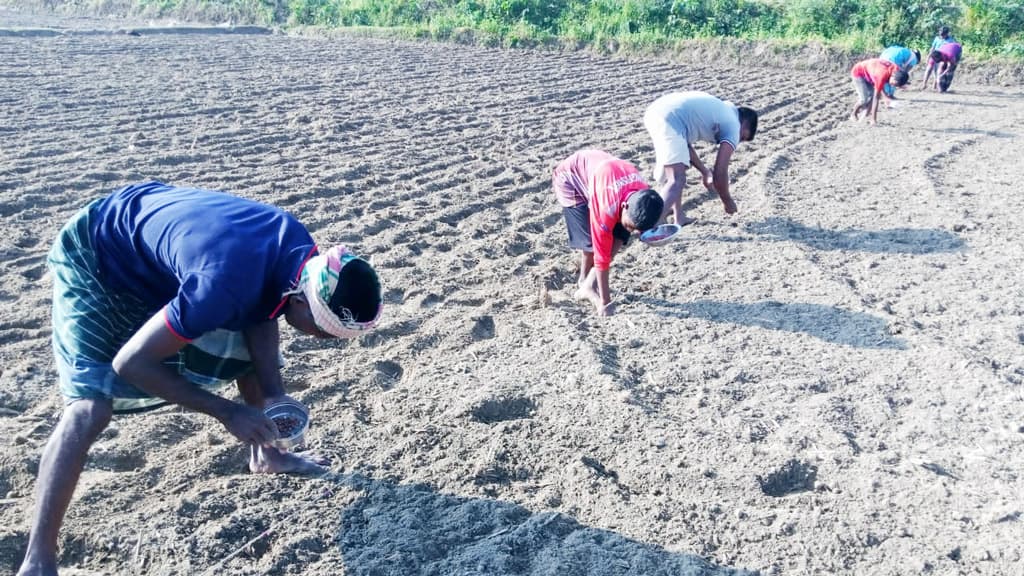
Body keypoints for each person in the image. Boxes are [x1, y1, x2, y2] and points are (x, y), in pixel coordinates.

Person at [17, 182, 383, 576]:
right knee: (91, 406)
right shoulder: (221, 286)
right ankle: (38, 560)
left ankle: (268, 455)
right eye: (325, 331)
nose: (325, 340)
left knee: (250, 347)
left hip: (162, 259)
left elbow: (262, 312)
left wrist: (274, 396)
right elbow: (131, 364)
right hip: (98, 252)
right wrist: (227, 412)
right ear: (301, 299)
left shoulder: (300, 255)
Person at [551, 150, 663, 316]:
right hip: (571, 179)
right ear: (625, 207)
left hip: (605, 174)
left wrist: (644, 232)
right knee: (591, 244)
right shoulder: (607, 207)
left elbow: (641, 222)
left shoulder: (645, 195)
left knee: (620, 235)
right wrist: (605, 302)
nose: (635, 232)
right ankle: (584, 282)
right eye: (632, 226)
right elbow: (602, 256)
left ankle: (589, 283)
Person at [643, 91, 758, 226]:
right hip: (669, 119)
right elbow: (720, 174)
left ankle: (678, 217)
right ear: (744, 124)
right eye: (742, 137)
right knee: (676, 179)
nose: (738, 141)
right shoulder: (734, 126)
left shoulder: (722, 111)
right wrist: (728, 202)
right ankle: (652, 225)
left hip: (656, 112)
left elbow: (684, 146)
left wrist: (705, 172)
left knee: (676, 170)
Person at [850, 58, 910, 125]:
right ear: (893, 76)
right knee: (864, 99)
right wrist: (874, 120)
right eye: (894, 83)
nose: (893, 85)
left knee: (872, 96)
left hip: (871, 73)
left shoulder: (897, 71)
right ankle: (854, 114)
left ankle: (866, 114)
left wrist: (898, 86)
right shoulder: (882, 74)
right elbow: (877, 97)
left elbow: (882, 84)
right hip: (859, 73)